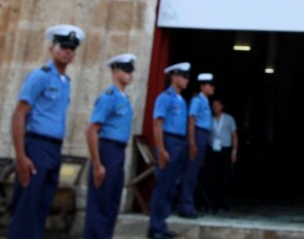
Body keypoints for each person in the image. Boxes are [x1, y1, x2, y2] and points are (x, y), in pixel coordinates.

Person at [7, 24, 82, 239]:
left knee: (42, 204)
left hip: (53, 148)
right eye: (63, 46)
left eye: (71, 48)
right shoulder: (40, 76)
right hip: (36, 145)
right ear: (52, 49)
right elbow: (19, 114)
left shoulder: (65, 82)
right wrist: (21, 156)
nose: (67, 51)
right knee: (27, 206)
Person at [84, 53, 137, 239]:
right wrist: (98, 164)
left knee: (112, 201)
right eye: (126, 70)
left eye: (132, 70)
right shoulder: (109, 96)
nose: (130, 74)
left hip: (118, 151)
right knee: (100, 202)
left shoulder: (123, 99)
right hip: (107, 149)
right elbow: (92, 130)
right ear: (115, 72)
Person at [147, 61, 191, 239]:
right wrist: (161, 149)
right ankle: (154, 226)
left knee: (172, 185)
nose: (187, 80)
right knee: (163, 185)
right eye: (184, 76)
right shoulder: (165, 97)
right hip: (169, 141)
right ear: (174, 77)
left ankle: (162, 223)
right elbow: (158, 123)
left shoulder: (181, 99)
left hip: (180, 143)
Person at [179, 72, 214, 218]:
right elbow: (191, 121)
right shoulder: (197, 100)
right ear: (203, 86)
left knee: (195, 173)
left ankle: (189, 204)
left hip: (204, 135)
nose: (212, 88)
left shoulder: (205, 101)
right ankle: (186, 207)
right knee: (191, 173)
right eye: (210, 85)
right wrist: (192, 142)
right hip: (197, 134)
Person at [204, 98, 237, 212]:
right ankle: (212, 203)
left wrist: (234, 151)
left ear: (222, 106)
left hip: (225, 150)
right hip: (213, 150)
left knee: (224, 177)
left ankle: (223, 203)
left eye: (217, 105)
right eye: (213, 105)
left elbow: (234, 135)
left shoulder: (228, 118)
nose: (215, 107)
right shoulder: (209, 119)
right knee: (211, 176)